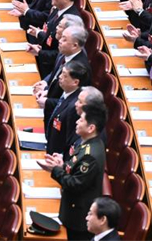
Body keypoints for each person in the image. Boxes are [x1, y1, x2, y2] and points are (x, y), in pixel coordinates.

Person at [38, 103, 106, 241]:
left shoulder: (90, 155)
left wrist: (55, 170)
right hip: (71, 208)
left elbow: (75, 184)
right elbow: (75, 169)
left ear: (91, 128)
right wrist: (62, 165)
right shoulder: (87, 143)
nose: (77, 121)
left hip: (78, 216)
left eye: (81, 120)